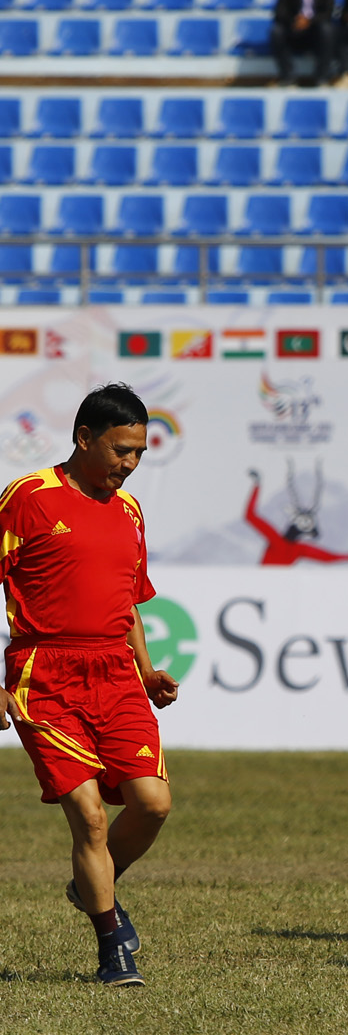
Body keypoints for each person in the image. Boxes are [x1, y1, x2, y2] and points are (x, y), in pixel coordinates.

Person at [0, 383, 180, 987]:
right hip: (44, 675)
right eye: (120, 450)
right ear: (84, 438)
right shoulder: (28, 497)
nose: (130, 463)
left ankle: (89, 886)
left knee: (152, 804)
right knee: (90, 819)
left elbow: (128, 604)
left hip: (116, 673)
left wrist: (146, 669)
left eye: (139, 453)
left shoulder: (129, 511)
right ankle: (113, 946)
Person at [269, 0, 339, 88]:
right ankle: (287, 77)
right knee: (276, 31)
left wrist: (309, 21)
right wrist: (294, 20)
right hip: (294, 29)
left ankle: (322, 77)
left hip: (316, 31)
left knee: (327, 29)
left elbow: (328, 12)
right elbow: (279, 12)